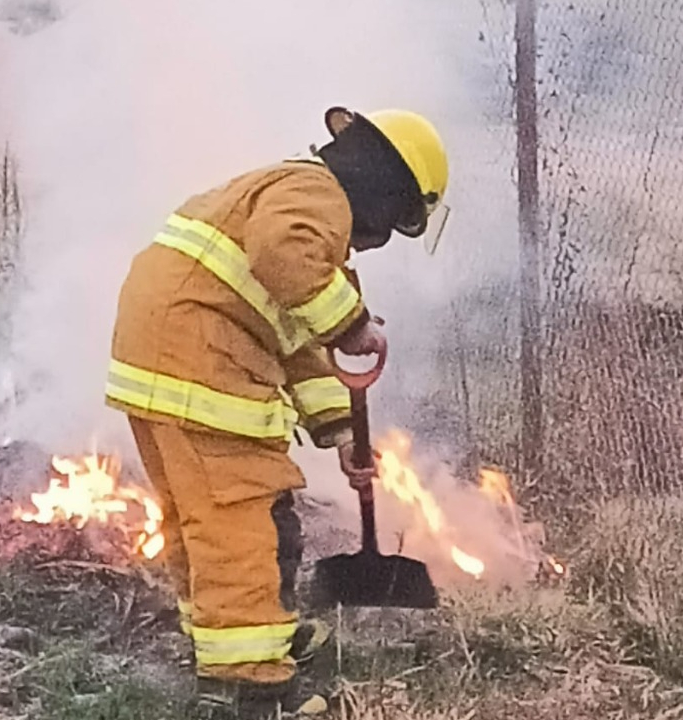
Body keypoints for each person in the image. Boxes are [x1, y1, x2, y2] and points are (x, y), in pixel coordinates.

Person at [103, 106, 450, 718]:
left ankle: (235, 635)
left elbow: (301, 344)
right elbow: (284, 258)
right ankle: (249, 687)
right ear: (384, 185)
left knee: (204, 525)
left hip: (163, 362)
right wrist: (355, 323)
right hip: (205, 364)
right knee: (246, 526)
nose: (381, 237)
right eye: (396, 220)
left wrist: (343, 432)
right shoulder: (313, 196)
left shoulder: (298, 216)